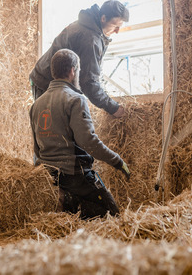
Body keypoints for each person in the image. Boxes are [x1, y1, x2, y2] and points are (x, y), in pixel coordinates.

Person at [30, 49, 131, 219]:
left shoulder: (36, 105)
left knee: (73, 219)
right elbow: (88, 141)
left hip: (49, 176)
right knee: (113, 216)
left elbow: (36, 148)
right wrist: (117, 160)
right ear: (72, 70)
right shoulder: (76, 99)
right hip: (75, 175)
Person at [30, 0, 129, 118]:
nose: (117, 31)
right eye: (115, 26)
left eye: (119, 27)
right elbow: (89, 83)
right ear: (103, 18)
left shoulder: (88, 25)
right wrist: (113, 108)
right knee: (53, 129)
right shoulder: (90, 39)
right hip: (46, 81)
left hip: (52, 79)